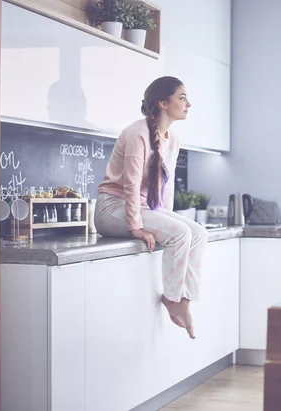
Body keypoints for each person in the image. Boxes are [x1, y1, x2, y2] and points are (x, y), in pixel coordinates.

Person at [94, 76, 207, 339]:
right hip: (112, 210)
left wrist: (166, 219)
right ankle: (172, 297)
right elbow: (131, 186)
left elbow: (165, 189)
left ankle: (184, 299)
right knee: (181, 234)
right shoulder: (137, 134)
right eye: (182, 97)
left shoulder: (172, 139)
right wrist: (136, 228)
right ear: (163, 103)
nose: (188, 103)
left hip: (140, 208)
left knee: (199, 233)